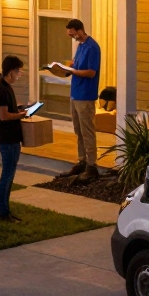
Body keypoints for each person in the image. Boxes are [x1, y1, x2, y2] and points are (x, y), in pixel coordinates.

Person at [62, 18, 101, 183]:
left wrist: (73, 71)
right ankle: (82, 160)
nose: (73, 37)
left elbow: (91, 72)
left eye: (73, 34)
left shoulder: (92, 47)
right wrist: (67, 67)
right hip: (75, 93)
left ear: (79, 30)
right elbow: (76, 64)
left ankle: (92, 165)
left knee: (87, 131)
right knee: (78, 130)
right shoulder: (80, 46)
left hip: (85, 94)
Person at [0, 55, 27, 222]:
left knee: (10, 175)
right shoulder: (2, 90)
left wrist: (19, 108)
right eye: (18, 71)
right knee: (6, 175)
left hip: (13, 138)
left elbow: (8, 110)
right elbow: (4, 116)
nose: (19, 74)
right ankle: (3, 212)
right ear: (11, 71)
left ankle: (6, 211)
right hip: (7, 139)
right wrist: (20, 115)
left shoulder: (7, 88)